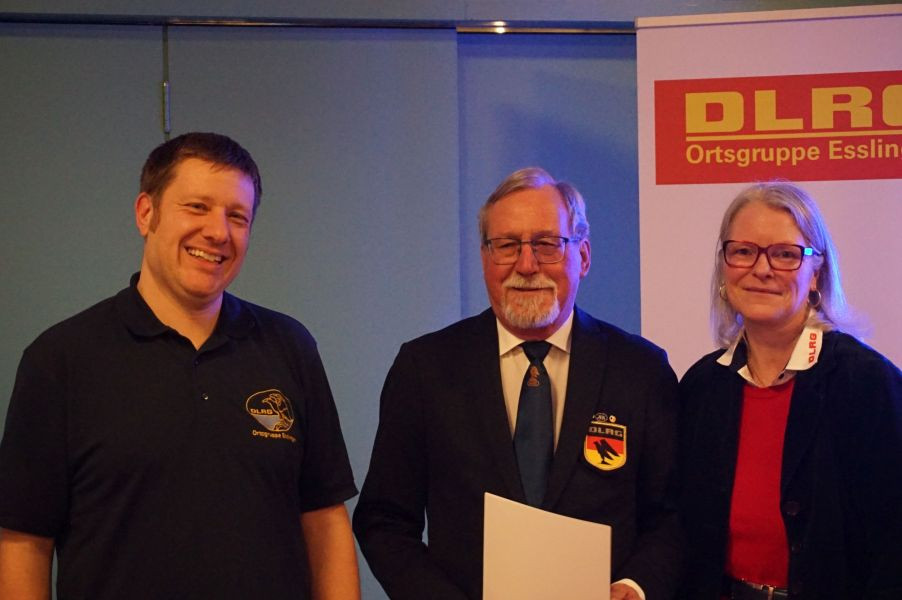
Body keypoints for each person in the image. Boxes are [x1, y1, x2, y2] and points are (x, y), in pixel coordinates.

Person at [0, 132, 360, 600]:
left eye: (237, 216)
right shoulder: (60, 359)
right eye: (197, 207)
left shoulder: (290, 347)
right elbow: (24, 540)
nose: (218, 232)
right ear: (145, 213)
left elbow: (324, 518)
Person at [353, 167, 682, 600]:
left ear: (583, 256)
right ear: (485, 258)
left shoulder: (641, 370)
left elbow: (672, 515)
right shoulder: (425, 368)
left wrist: (635, 587)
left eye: (547, 244)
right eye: (507, 245)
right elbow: (385, 520)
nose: (526, 265)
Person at [678, 182, 902, 600]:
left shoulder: (867, 384)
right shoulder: (702, 387)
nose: (761, 269)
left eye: (784, 254)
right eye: (743, 251)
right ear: (724, 267)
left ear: (816, 272)